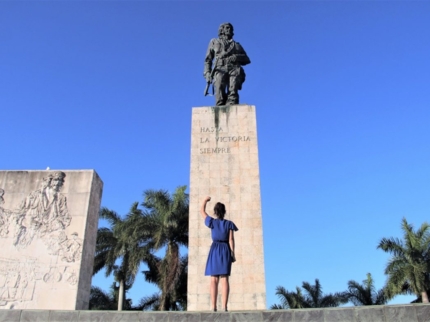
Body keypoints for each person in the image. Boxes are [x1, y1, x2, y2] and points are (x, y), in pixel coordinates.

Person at [200, 196, 238, 312]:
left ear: (215, 212)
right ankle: (224, 307)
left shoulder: (212, 222)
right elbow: (231, 239)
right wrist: (232, 252)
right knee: (224, 279)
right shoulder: (229, 224)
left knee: (214, 279)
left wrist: (205, 201)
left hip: (215, 249)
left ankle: (213, 306)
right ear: (224, 212)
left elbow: (202, 211)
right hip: (225, 249)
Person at [204, 22, 251, 106]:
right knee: (219, 99)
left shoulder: (236, 45)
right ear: (221, 30)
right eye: (227, 28)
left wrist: (236, 57)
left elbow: (247, 59)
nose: (229, 29)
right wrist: (207, 73)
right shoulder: (214, 42)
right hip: (219, 69)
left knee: (233, 97)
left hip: (233, 69)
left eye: (230, 28)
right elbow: (208, 60)